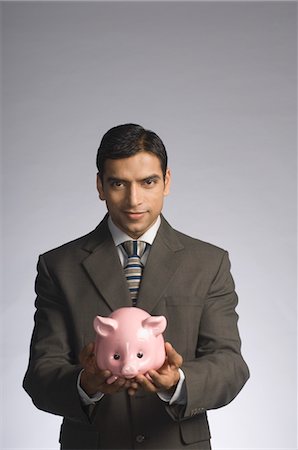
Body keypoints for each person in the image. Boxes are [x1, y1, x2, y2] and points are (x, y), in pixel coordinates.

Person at [23, 123, 249, 450]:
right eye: (118, 183)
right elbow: (41, 375)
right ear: (100, 185)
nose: (134, 199)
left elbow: (230, 365)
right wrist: (86, 384)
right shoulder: (59, 267)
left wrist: (178, 383)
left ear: (166, 182)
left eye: (148, 182)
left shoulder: (208, 263)